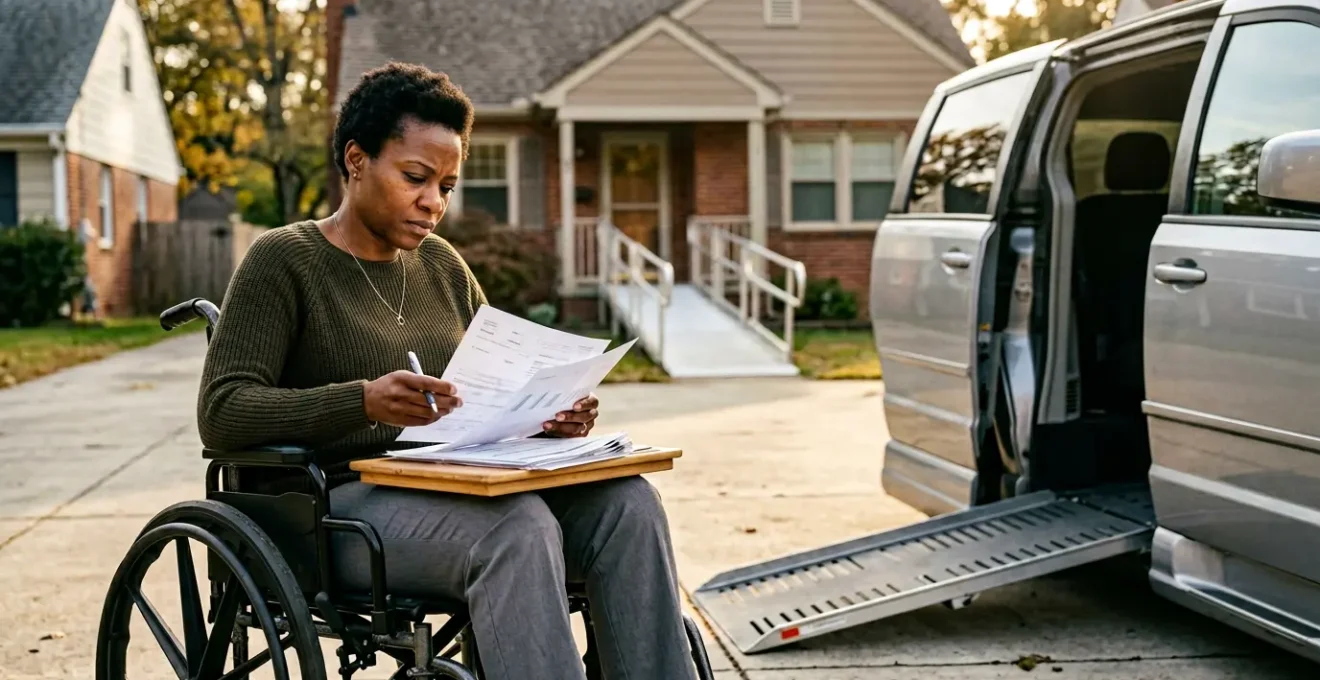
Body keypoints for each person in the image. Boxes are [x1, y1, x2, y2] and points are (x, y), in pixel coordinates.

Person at [196, 61, 697, 680]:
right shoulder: (285, 260)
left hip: (458, 482)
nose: (434, 202)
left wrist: (550, 415)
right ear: (356, 160)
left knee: (629, 504)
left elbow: (498, 380)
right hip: (331, 506)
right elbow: (222, 412)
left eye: (448, 186)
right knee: (517, 529)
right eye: (416, 178)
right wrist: (362, 401)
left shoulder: (441, 266)